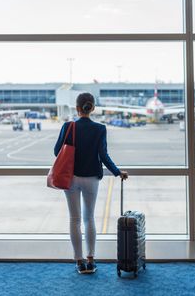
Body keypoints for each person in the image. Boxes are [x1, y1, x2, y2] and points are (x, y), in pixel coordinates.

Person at [54, 92, 128, 274]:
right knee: (89, 218)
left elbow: (57, 151)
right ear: (92, 108)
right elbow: (104, 155)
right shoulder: (100, 129)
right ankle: (91, 260)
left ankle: (79, 262)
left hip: (71, 178)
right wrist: (117, 172)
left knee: (74, 219)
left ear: (77, 108)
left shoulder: (68, 126)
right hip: (92, 179)